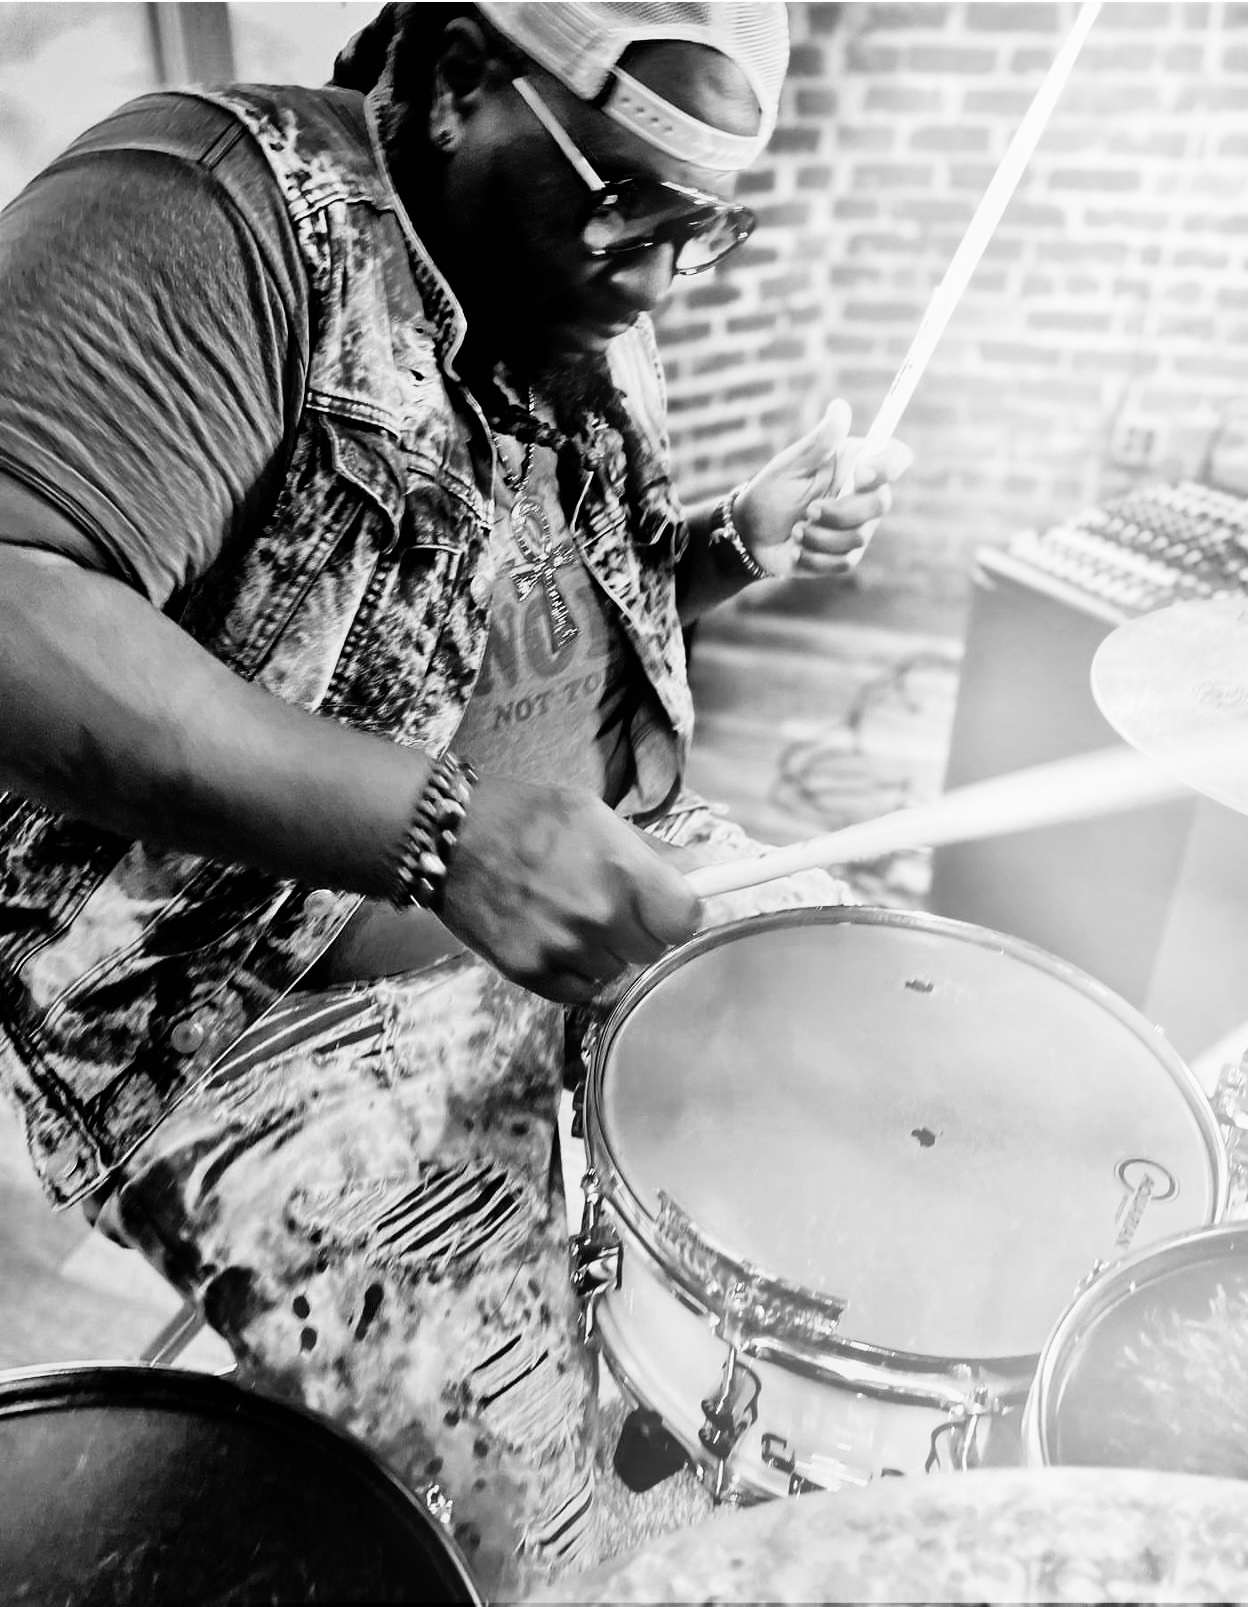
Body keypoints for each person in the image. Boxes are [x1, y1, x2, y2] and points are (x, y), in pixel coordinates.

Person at [0, 2, 910, 1595]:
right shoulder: (215, 208)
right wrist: (440, 830)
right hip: (282, 1022)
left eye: (696, 230)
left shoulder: (569, 274)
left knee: (910, 1103)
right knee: (545, 1530)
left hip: (622, 869)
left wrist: (733, 543)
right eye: (627, 205)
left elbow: (511, 615)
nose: (652, 280)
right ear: (468, 77)